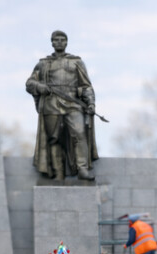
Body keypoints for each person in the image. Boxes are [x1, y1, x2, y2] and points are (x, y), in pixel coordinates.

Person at [25, 30, 98, 181]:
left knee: (79, 133)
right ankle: (58, 173)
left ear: (66, 42)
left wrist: (90, 102)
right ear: (52, 42)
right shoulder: (43, 63)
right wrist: (39, 87)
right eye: (56, 39)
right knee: (54, 138)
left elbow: (86, 85)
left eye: (62, 40)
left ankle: (82, 169)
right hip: (51, 103)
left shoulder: (76, 62)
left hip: (73, 103)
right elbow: (29, 83)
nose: (59, 42)